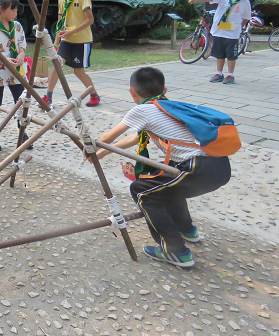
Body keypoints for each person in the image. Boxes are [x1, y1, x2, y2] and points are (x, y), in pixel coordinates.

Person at [94, 67, 231, 267]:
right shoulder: (167, 106)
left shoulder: (142, 109)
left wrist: (92, 147)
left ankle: (175, 251)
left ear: (132, 92)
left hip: (198, 167)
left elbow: (107, 137)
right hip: (219, 167)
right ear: (164, 90)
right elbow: (137, 137)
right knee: (165, 184)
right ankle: (187, 230)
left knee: (143, 190)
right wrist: (105, 151)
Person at [42, 0, 100, 107]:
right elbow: (60, 22)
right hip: (66, 41)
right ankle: (48, 97)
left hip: (82, 41)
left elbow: (90, 20)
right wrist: (56, 43)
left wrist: (72, 32)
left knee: (78, 72)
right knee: (57, 66)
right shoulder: (62, 0)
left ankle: (94, 95)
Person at [0, 0, 33, 151]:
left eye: (17, 10)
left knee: (21, 103)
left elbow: (22, 46)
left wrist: (21, 54)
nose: (15, 13)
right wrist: (3, 60)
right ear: (2, 10)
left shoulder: (17, 26)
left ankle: (22, 135)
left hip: (16, 72)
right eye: (13, 9)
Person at [189, 0, 252, 84]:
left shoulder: (245, 3)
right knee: (219, 54)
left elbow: (246, 17)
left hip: (232, 33)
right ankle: (219, 73)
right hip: (219, 31)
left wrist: (239, 27)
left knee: (231, 54)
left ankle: (230, 75)